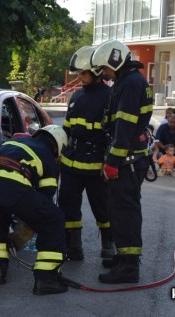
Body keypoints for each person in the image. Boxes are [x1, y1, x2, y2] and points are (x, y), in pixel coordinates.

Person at [0, 125, 69, 296]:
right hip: (11, 188)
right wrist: (27, 225)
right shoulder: (48, 156)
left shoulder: (15, 142)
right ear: (58, 146)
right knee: (53, 219)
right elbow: (46, 197)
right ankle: (46, 279)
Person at [90, 39, 153, 284]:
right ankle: (123, 256)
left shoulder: (129, 83)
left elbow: (124, 126)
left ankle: (129, 267)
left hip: (127, 160)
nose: (104, 74)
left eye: (105, 69)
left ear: (115, 62)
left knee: (125, 212)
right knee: (119, 209)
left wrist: (113, 162)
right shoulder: (130, 80)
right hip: (130, 157)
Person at [58, 46, 113, 263]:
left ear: (97, 72)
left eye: (83, 73)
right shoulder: (77, 95)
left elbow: (113, 133)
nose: (79, 77)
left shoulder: (111, 96)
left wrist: (108, 162)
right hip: (72, 162)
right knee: (68, 206)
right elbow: (68, 128)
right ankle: (74, 248)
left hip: (96, 164)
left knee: (102, 206)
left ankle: (108, 245)